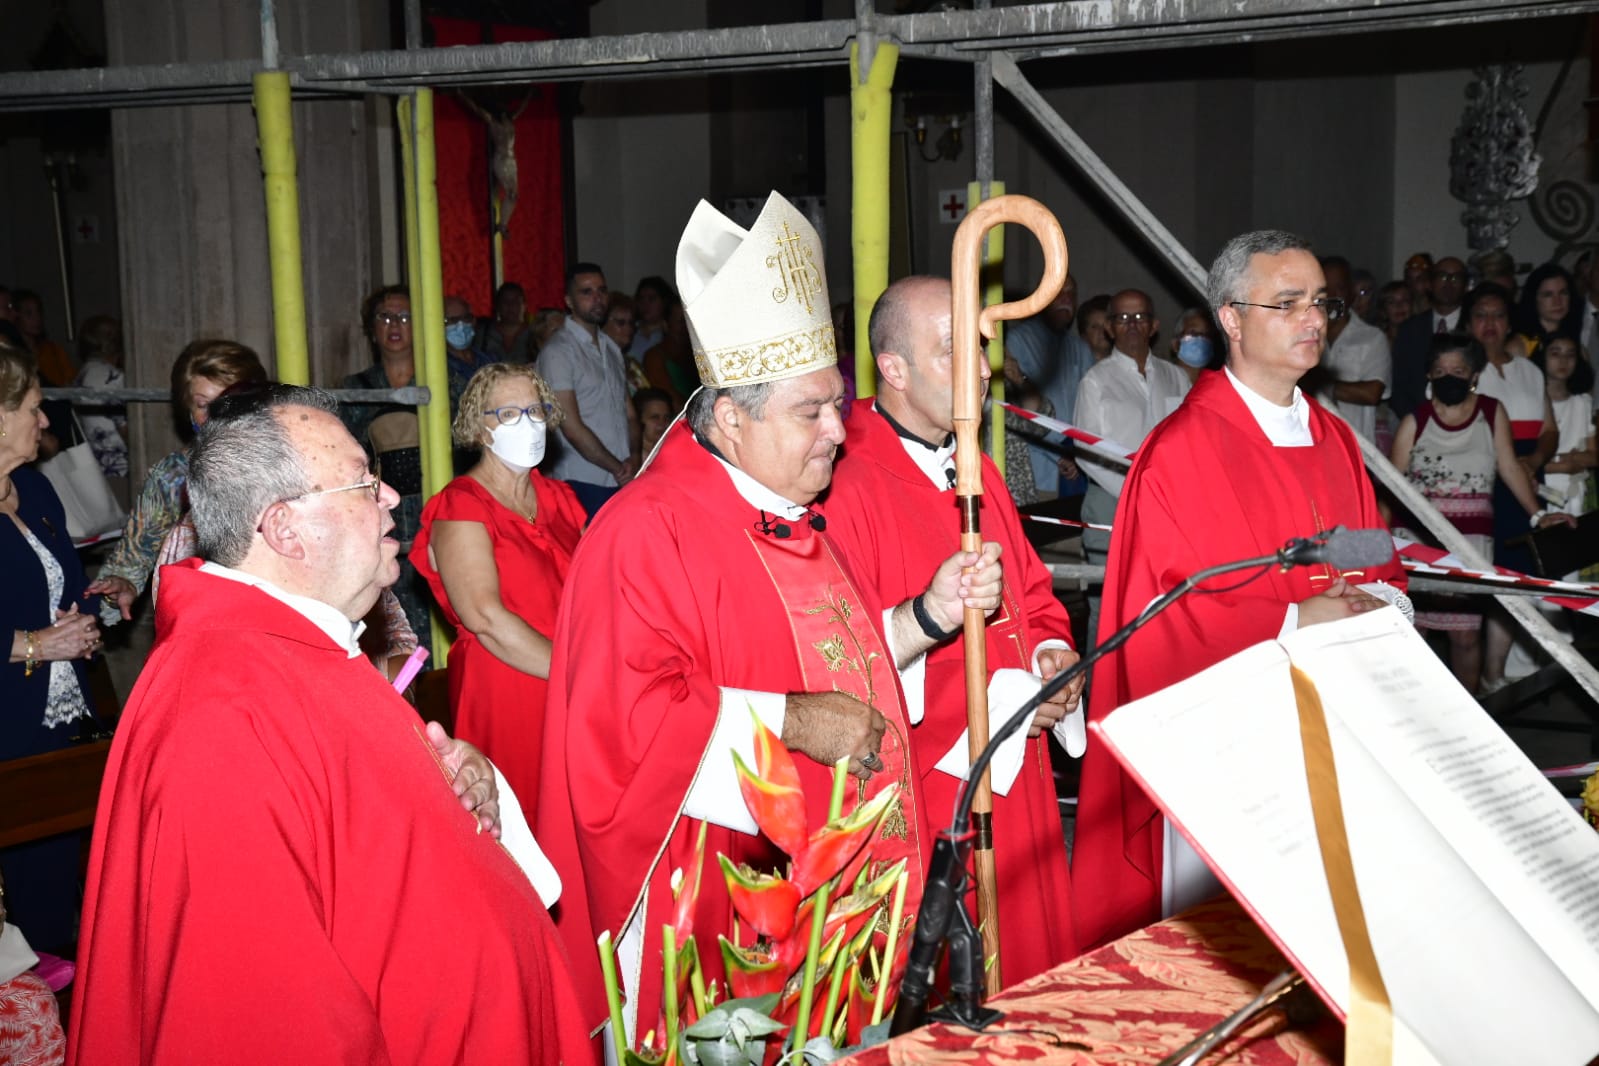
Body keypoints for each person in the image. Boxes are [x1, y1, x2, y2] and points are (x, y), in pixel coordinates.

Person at [535, 192, 1004, 1044]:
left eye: (837, 403)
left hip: (838, 900)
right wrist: (788, 719)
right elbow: (622, 729)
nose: (838, 430)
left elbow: (842, 667)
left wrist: (924, 619)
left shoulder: (790, 507)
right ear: (728, 418)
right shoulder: (647, 530)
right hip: (718, 897)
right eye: (809, 412)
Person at [67, 385, 587, 1064]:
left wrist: (466, 793)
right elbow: (260, 1018)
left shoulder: (300, 648)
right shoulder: (218, 712)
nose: (391, 498)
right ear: (285, 528)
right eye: (363, 483)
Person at [1072, 230, 1408, 951]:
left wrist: (1382, 599)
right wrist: (1291, 618)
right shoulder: (1179, 452)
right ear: (1229, 318)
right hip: (1230, 746)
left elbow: (1369, 549)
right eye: (1286, 303)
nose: (1312, 319)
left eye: (1318, 302)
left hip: (1334, 726)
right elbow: (1161, 620)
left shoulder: (1334, 437)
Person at [824, 275, 1084, 987]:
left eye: (976, 345)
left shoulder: (974, 465)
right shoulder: (845, 479)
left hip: (1014, 758)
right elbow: (847, 650)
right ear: (895, 371)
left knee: (1031, 976)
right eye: (951, 350)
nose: (978, 367)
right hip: (938, 775)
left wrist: (1051, 654)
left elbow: (1032, 591)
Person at [411, 364, 584, 812]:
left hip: (576, 682)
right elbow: (484, 618)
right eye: (508, 414)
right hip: (509, 687)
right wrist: (580, 675)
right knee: (525, 822)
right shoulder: (461, 505)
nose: (527, 422)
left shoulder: (561, 499)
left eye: (536, 409)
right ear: (479, 425)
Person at [1390, 334, 1570, 692]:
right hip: (1420, 546)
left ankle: (1469, 722)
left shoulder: (1491, 413)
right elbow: (1390, 488)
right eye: (1440, 370)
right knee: (1412, 639)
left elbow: (1511, 468)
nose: (1448, 377)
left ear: (1473, 376)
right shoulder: (1416, 421)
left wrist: (1539, 516)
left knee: (1466, 639)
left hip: (1469, 547)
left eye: (1458, 370)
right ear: (1429, 375)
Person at [1, 345, 104, 956]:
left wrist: (81, 623)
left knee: (60, 880)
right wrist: (36, 643)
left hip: (63, 721)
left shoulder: (36, 489)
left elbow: (63, 579)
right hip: (5, 723)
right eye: (35, 409)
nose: (45, 423)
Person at [88, 340, 267, 621]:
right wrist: (122, 582)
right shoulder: (173, 475)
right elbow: (136, 552)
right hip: (198, 621)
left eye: (228, 402)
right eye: (203, 404)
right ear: (187, 408)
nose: (215, 416)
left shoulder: (286, 464)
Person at [1073, 288, 1191, 646]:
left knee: (1163, 601)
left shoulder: (1176, 378)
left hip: (1168, 508)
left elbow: (1187, 441)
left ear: (1154, 325)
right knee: (1108, 606)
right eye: (1122, 318)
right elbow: (1085, 449)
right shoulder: (1096, 382)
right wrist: (1137, 492)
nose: (1132, 325)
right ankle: (1099, 697)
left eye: (1139, 317)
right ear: (1109, 328)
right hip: (1111, 504)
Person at [342, 286, 432, 650]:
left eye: (406, 317)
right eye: (386, 317)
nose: (396, 325)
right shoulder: (354, 389)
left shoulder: (443, 384)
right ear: (371, 327)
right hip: (378, 518)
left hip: (432, 514)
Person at [540, 262, 638, 517]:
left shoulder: (611, 348)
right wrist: (618, 468)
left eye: (601, 290)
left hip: (622, 476)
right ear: (569, 301)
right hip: (582, 479)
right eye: (586, 292)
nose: (597, 298)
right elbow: (570, 426)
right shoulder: (558, 351)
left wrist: (635, 458)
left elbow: (629, 413)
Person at [1313, 256, 1390, 443]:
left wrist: (1320, 386)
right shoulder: (1303, 335)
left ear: (1351, 293)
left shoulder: (1372, 337)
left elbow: (1372, 393)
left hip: (1356, 447)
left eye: (1338, 288)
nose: (1331, 295)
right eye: (1325, 288)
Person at [1391, 256, 1469, 419]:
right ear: (1430, 283)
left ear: (1466, 285)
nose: (1448, 283)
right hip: (1417, 421)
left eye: (1456, 277)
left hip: (1465, 421)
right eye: (1442, 276)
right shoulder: (1410, 328)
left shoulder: (1474, 327)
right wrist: (1416, 420)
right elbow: (1398, 383)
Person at [1533, 332, 1596, 521]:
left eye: (1570, 355)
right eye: (1555, 353)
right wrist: (1562, 465)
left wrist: (1576, 458)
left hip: (1575, 495)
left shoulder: (1582, 403)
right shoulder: (1530, 402)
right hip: (1539, 491)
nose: (1563, 361)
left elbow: (1593, 455)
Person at [72, 314, 130, 503]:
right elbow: (127, 432)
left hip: (93, 470)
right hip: (120, 471)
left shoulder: (82, 374)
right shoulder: (113, 378)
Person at [443, 293, 499, 415]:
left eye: (466, 318)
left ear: (473, 321)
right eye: (452, 320)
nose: (461, 325)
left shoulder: (489, 360)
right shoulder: (441, 368)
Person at [1513, 261, 1583, 359]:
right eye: (1548, 295)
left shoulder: (1578, 345)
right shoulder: (1519, 347)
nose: (1558, 301)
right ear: (1533, 299)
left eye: (1563, 293)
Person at [11, 291, 72, 388]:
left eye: (39, 312)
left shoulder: (53, 350)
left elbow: (70, 381)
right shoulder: (12, 354)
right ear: (15, 316)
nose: (37, 318)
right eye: (28, 313)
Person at [479, 281, 535, 364]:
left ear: (524, 305)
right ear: (497, 305)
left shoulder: (535, 334)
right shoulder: (482, 334)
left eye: (515, 301)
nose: (510, 305)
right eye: (505, 301)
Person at [628, 275, 675, 360]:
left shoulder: (673, 331)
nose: (645, 304)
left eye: (651, 299)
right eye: (641, 299)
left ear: (664, 302)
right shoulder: (628, 328)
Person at [633, 385, 674, 456]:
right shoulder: (633, 461)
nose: (662, 423)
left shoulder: (676, 450)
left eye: (666, 417)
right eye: (655, 418)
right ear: (639, 420)